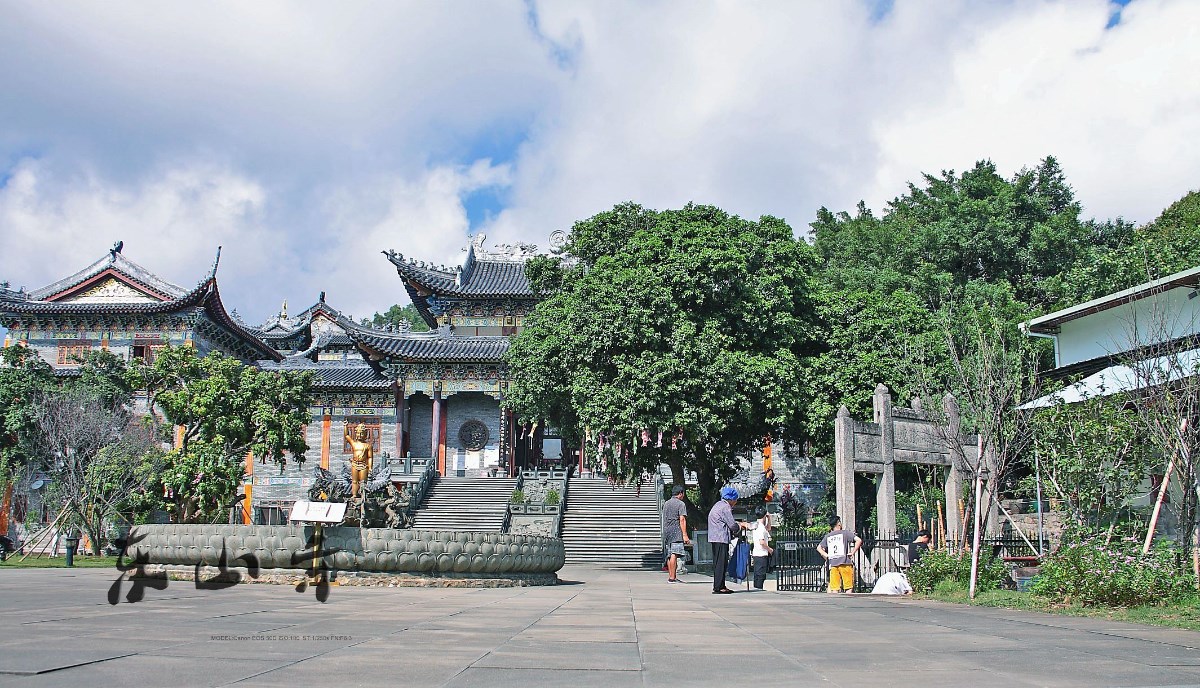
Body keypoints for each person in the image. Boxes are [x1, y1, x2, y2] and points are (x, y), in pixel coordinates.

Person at [708, 487, 750, 594]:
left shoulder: (718, 505)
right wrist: (741, 526)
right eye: (735, 500)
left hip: (714, 537)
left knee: (718, 562)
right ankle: (719, 587)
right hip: (721, 538)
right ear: (731, 499)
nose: (735, 502)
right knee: (721, 563)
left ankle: (719, 585)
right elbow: (732, 525)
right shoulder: (725, 507)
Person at [816, 514, 862, 594]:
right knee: (848, 587)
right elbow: (858, 540)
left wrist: (827, 556)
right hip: (845, 562)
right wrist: (853, 552)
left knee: (834, 588)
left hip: (833, 564)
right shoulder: (845, 533)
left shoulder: (828, 536)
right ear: (839, 523)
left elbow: (819, 548)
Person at [662, 484, 690, 583]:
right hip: (676, 530)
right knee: (675, 553)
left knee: (670, 554)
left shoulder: (666, 503)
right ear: (681, 493)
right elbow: (682, 519)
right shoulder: (680, 504)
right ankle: (672, 578)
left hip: (667, 530)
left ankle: (671, 576)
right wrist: (685, 535)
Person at [751, 506, 773, 590]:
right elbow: (762, 542)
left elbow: (768, 528)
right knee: (760, 575)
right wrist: (769, 549)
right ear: (764, 515)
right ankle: (758, 589)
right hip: (761, 554)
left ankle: (757, 588)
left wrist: (769, 518)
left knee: (757, 574)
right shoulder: (760, 528)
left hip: (756, 553)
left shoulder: (757, 525)